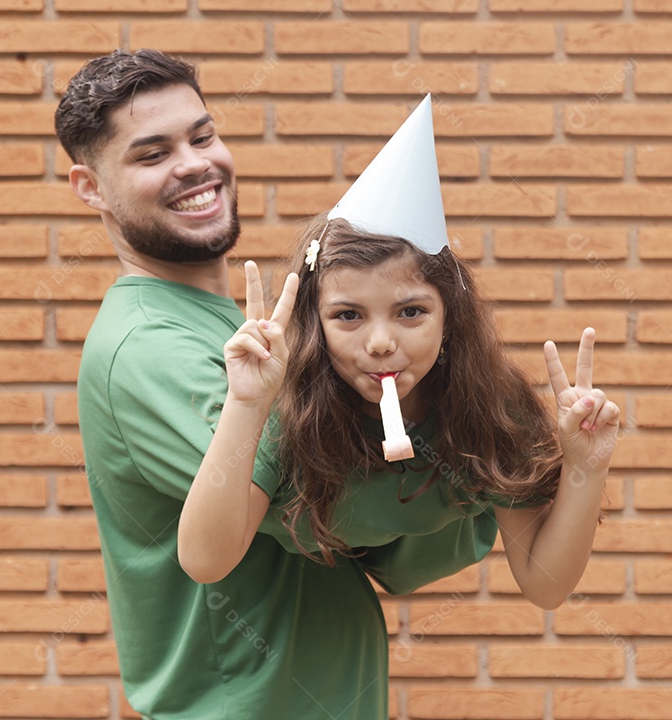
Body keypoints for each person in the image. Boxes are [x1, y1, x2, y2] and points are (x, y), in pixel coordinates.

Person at [59, 50, 512, 720]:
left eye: (202, 136)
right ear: (91, 188)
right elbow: (328, 505)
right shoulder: (147, 346)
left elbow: (403, 559)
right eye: (152, 154)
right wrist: (498, 465)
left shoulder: (253, 330)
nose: (193, 164)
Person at [178, 98, 619, 611]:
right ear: (314, 325)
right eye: (348, 316)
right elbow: (204, 561)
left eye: (410, 313)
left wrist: (586, 467)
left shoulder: (493, 404)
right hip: (310, 566)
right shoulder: (289, 408)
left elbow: (546, 586)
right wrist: (248, 403)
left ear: (450, 316)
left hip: (438, 544)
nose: (381, 342)